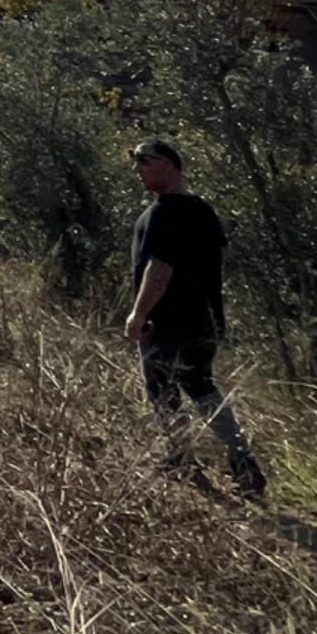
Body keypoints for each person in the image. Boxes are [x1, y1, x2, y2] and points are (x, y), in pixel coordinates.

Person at [125, 137, 266, 497]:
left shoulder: (161, 214)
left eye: (145, 160)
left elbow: (160, 268)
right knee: (203, 388)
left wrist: (139, 314)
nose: (138, 168)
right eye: (135, 161)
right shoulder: (203, 211)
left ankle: (181, 458)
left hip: (166, 322)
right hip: (204, 322)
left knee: (162, 391)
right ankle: (244, 464)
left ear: (171, 165)